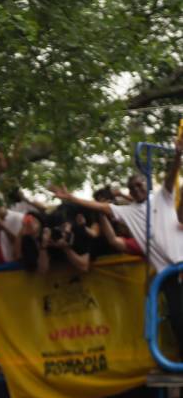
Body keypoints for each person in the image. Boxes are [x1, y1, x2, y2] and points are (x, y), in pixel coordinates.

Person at [49, 131, 183, 355]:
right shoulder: (127, 211)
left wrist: (178, 156)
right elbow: (100, 208)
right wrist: (71, 198)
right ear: (128, 192)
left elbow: (171, 177)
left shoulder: (162, 197)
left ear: (146, 184)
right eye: (133, 187)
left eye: (140, 185)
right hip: (167, 276)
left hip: (181, 263)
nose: (138, 189)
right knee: (178, 318)